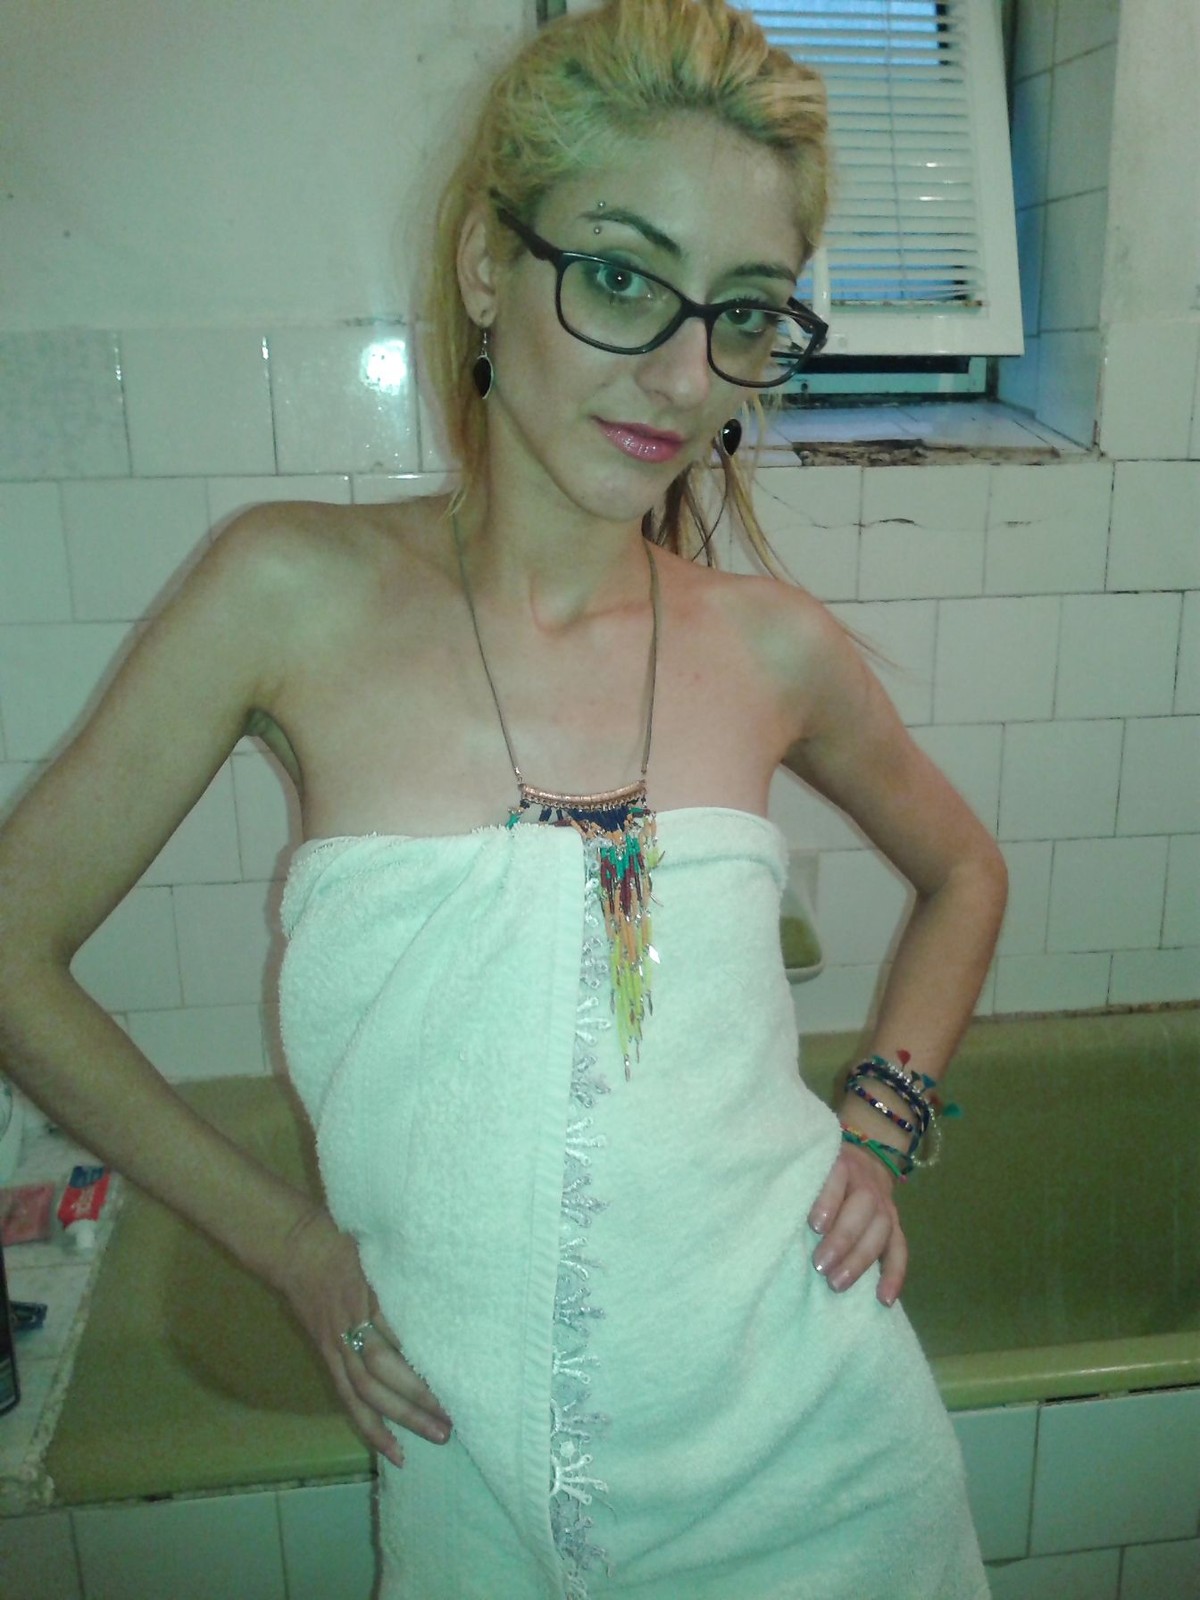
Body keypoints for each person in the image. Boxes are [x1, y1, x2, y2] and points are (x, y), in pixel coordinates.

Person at [0, 1, 1006, 1595]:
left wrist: (880, 1130)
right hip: (484, 1502)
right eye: (622, 277)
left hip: (831, 1476)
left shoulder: (773, 647)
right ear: (489, 262)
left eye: (743, 314)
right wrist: (293, 1248)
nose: (682, 375)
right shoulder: (286, 590)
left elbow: (966, 872)